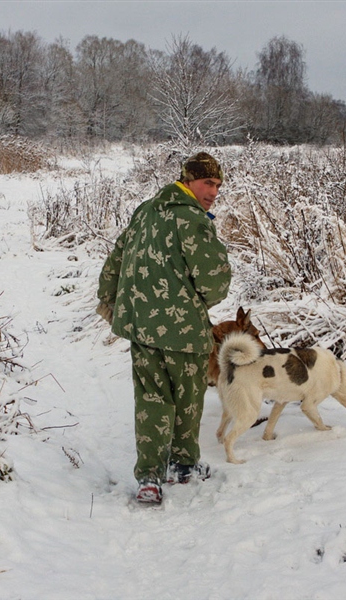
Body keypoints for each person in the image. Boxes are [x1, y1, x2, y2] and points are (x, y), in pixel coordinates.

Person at [96, 152, 231, 504]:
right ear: (188, 180)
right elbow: (215, 281)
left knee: (151, 400)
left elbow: (116, 258)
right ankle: (182, 466)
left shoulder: (146, 211)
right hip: (184, 333)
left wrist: (109, 300)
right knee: (187, 399)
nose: (213, 192)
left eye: (217, 185)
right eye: (207, 183)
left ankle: (150, 478)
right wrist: (193, 303)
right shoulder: (194, 221)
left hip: (142, 328)